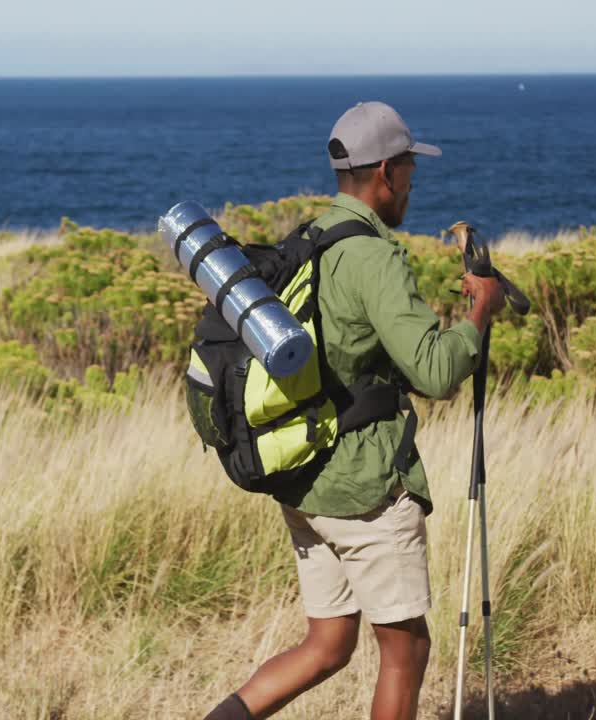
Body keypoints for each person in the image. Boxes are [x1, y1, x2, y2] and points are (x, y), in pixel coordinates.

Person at [204, 101, 506, 720]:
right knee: (406, 651)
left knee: (327, 645)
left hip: (304, 476)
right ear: (387, 171)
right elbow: (436, 371)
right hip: (363, 489)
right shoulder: (374, 256)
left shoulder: (312, 238)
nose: (414, 181)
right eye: (410, 167)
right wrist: (480, 311)